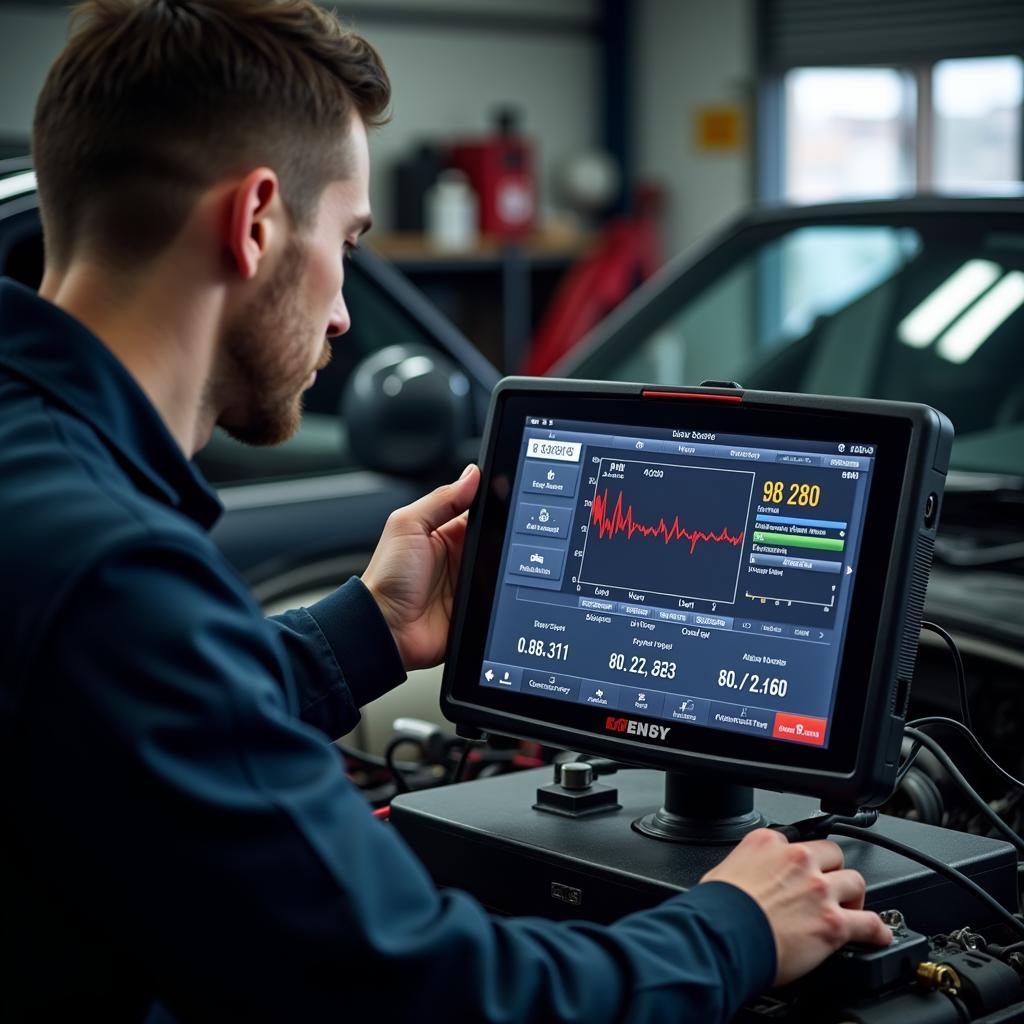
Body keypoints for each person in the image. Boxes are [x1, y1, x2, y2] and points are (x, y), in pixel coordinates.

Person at [0, 1, 891, 1020]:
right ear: (254, 223)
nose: (342, 311)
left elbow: (124, 725)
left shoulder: (42, 483)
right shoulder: (113, 569)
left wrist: (365, 629)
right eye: (347, 238)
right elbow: (418, 992)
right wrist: (735, 924)